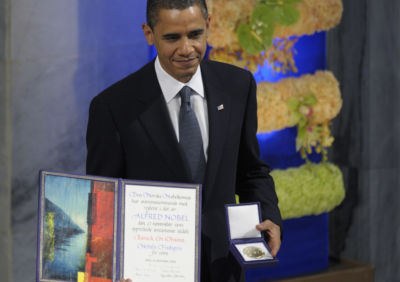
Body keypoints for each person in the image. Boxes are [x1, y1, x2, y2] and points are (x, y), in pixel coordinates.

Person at [86, 0, 282, 281]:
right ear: (148, 33)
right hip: (151, 273)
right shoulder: (113, 107)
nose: (187, 49)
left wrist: (271, 217)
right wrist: (110, 266)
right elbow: (103, 204)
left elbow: (251, 171)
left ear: (209, 25)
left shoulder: (238, 86)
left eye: (195, 34)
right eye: (172, 38)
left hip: (224, 267)